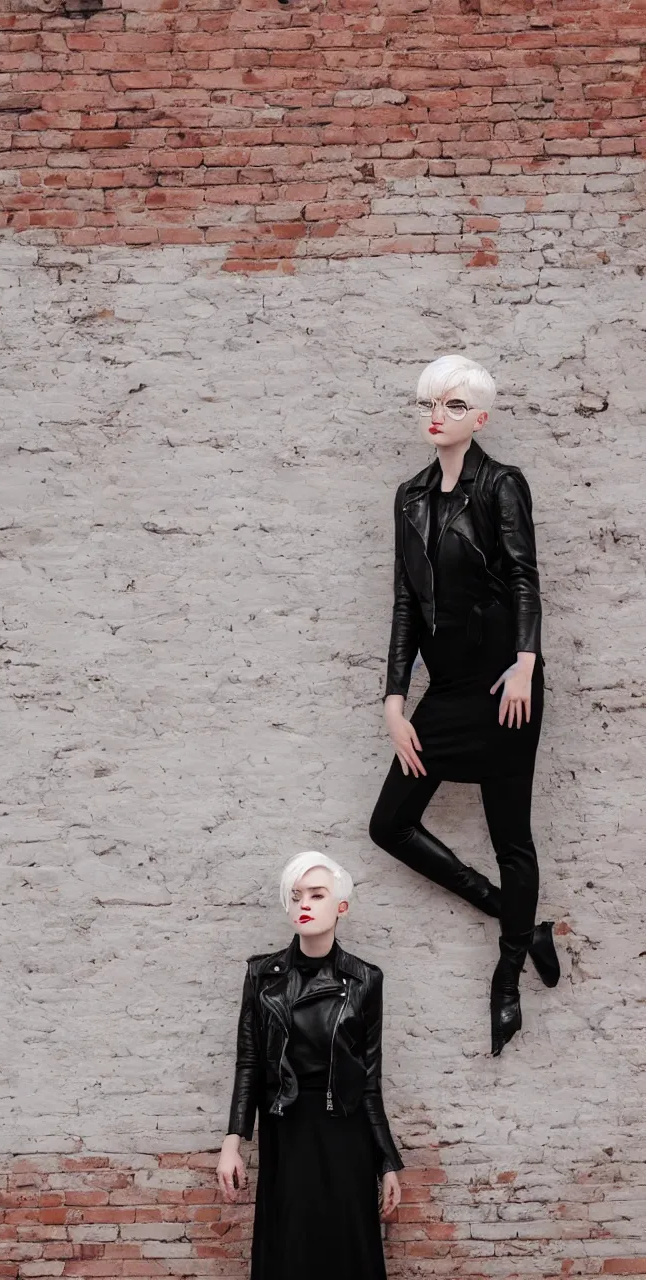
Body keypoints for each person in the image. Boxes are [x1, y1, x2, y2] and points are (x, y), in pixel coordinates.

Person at [369, 354, 560, 1058]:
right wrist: (395, 702)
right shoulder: (410, 497)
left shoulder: (501, 485)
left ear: (479, 418)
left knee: (513, 837)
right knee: (389, 824)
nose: (435, 414)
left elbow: (523, 578)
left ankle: (507, 976)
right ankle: (517, 919)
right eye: (429, 402)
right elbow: (402, 604)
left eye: (452, 405)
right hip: (446, 693)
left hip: (505, 685)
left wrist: (525, 664)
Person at [217, 851, 403, 1280]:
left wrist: (386, 1160)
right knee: (290, 1247)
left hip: (345, 1130)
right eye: (296, 894)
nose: (304, 903)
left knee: (347, 1249)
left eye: (317, 895)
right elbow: (249, 1062)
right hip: (287, 1126)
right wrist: (233, 1143)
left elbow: (370, 1080)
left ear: (341, 907)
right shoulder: (263, 975)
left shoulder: (364, 979)